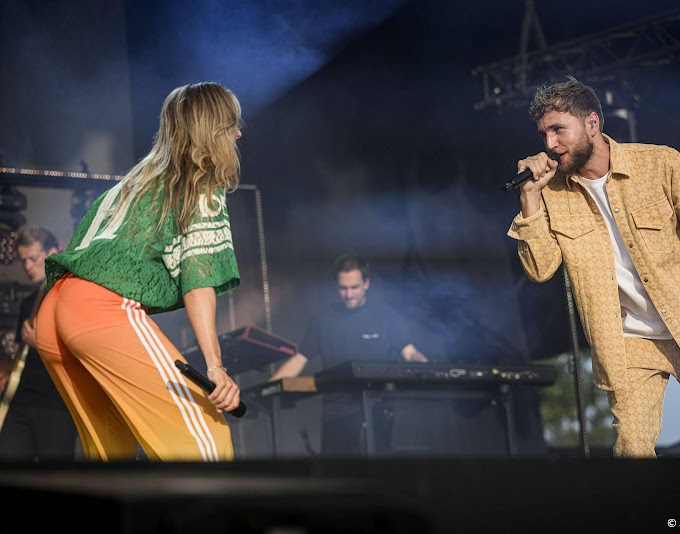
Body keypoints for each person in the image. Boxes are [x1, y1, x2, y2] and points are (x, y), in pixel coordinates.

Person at [507, 76, 680, 458]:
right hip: (627, 342)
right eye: (544, 134)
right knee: (631, 452)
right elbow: (540, 269)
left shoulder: (661, 164)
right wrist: (530, 197)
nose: (550, 144)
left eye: (559, 130)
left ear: (592, 123)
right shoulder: (550, 193)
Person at [35, 82, 244, 461]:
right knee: (207, 446)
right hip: (99, 312)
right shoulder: (198, 181)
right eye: (232, 124)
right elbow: (198, 280)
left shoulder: (130, 183)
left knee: (112, 459)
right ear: (213, 131)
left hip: (53, 313)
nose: (239, 133)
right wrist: (215, 367)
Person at [270, 255, 428, 454]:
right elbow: (299, 359)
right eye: (343, 288)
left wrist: (423, 363)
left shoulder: (387, 316)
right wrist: (268, 389)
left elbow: (409, 352)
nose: (349, 294)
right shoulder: (323, 319)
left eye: (354, 287)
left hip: (378, 410)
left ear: (366, 283)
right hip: (336, 414)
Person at [0, 226, 78, 461]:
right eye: (23, 260)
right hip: (21, 400)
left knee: (55, 479)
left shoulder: (69, 296)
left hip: (57, 404)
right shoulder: (27, 303)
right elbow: (19, 358)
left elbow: (80, 356)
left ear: (52, 252)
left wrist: (40, 343)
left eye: (33, 258)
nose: (27, 266)